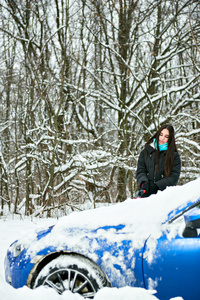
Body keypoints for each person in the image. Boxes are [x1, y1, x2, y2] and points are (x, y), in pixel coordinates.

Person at [136, 124, 181, 198]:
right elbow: (141, 171)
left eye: (166, 136)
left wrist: (157, 186)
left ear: (170, 139)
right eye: (161, 134)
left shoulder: (174, 156)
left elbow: (173, 177)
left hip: (164, 195)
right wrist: (144, 184)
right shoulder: (145, 152)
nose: (162, 138)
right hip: (146, 193)